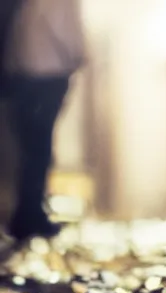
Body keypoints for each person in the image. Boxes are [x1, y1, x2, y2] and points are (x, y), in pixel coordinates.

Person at [3, 0, 85, 242]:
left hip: (25, 74)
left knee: (29, 147)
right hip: (49, 72)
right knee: (40, 148)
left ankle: (25, 213)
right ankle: (31, 215)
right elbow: (66, 31)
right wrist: (79, 55)